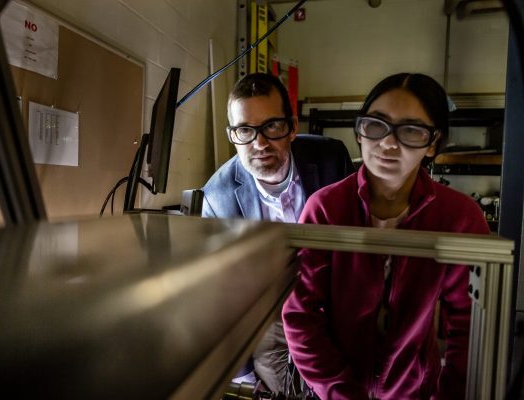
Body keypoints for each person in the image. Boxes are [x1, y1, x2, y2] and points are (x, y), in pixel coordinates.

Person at [282, 73, 490, 400]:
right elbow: (300, 316)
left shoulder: (459, 218)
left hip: (416, 391)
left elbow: (470, 327)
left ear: (433, 143)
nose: (388, 143)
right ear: (360, 133)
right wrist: (339, 392)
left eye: (410, 130)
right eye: (376, 125)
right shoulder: (326, 209)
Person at [201, 72, 354, 394]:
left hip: (334, 308)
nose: (258, 143)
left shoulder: (331, 160)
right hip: (270, 318)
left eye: (271, 126)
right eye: (245, 129)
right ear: (232, 134)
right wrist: (242, 372)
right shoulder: (218, 197)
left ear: (292, 127)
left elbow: (356, 244)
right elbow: (223, 293)